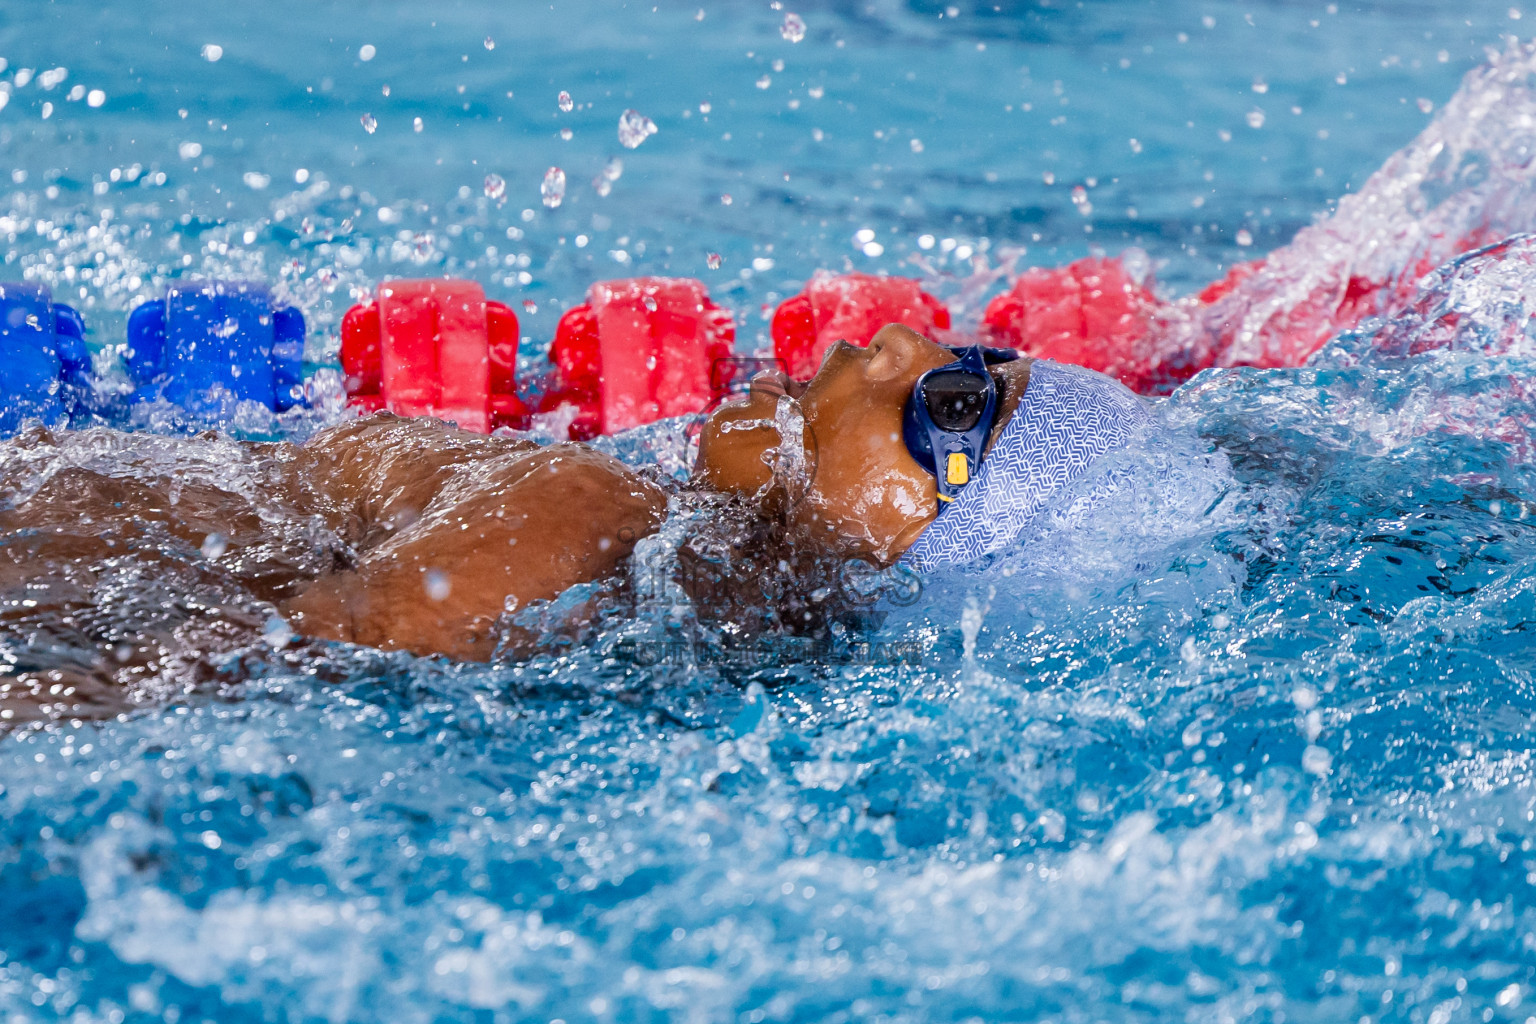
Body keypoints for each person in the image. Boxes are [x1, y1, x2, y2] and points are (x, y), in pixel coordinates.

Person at [0, 324, 1149, 722]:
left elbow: (192, 672)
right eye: (977, 357)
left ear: (915, 551)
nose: (904, 345)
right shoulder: (685, 629)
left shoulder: (585, 515)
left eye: (954, 405)